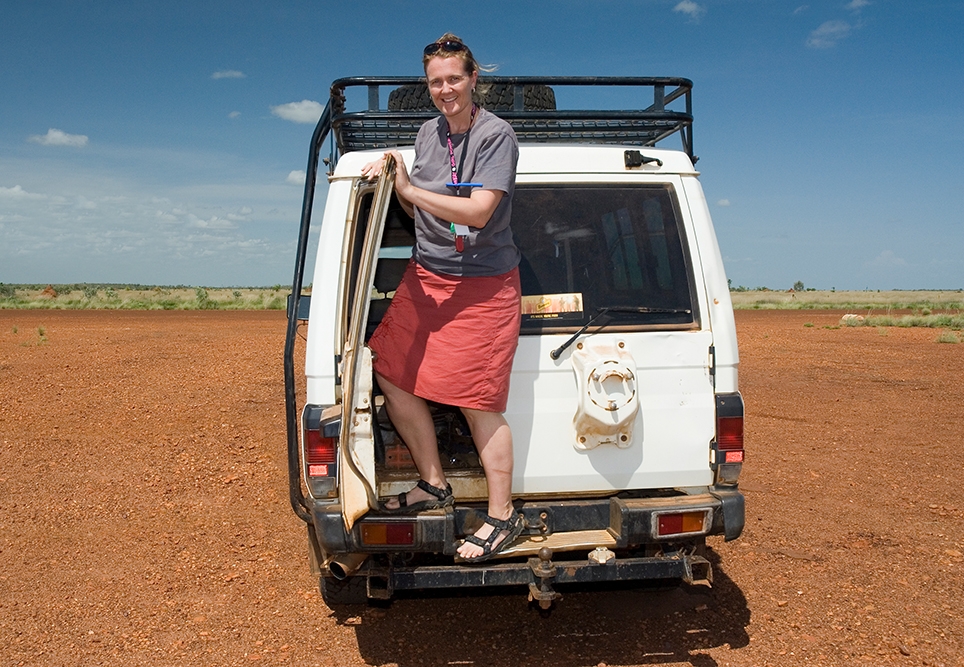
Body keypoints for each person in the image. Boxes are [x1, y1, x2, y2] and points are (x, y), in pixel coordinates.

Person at [360, 33, 523, 563]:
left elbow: (477, 213)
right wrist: (393, 171)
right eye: (436, 81)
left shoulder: (497, 135)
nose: (445, 89)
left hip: (482, 286)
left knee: (478, 402)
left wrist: (407, 190)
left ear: (474, 79)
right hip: (427, 276)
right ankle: (433, 484)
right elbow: (423, 210)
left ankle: (503, 517)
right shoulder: (427, 135)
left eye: (454, 78)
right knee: (389, 367)